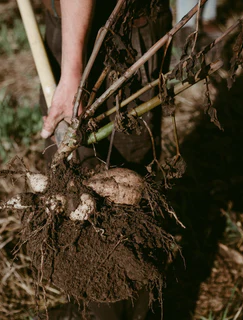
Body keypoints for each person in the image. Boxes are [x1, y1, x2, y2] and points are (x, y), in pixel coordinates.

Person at [37, 1, 173, 319]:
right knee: (76, 196)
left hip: (116, 33)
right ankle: (92, 303)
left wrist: (72, 74)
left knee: (116, 194)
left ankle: (119, 310)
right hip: (73, 24)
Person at [39, 0, 172, 174]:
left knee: (128, 167)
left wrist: (71, 75)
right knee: (64, 171)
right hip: (65, 24)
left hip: (129, 31)